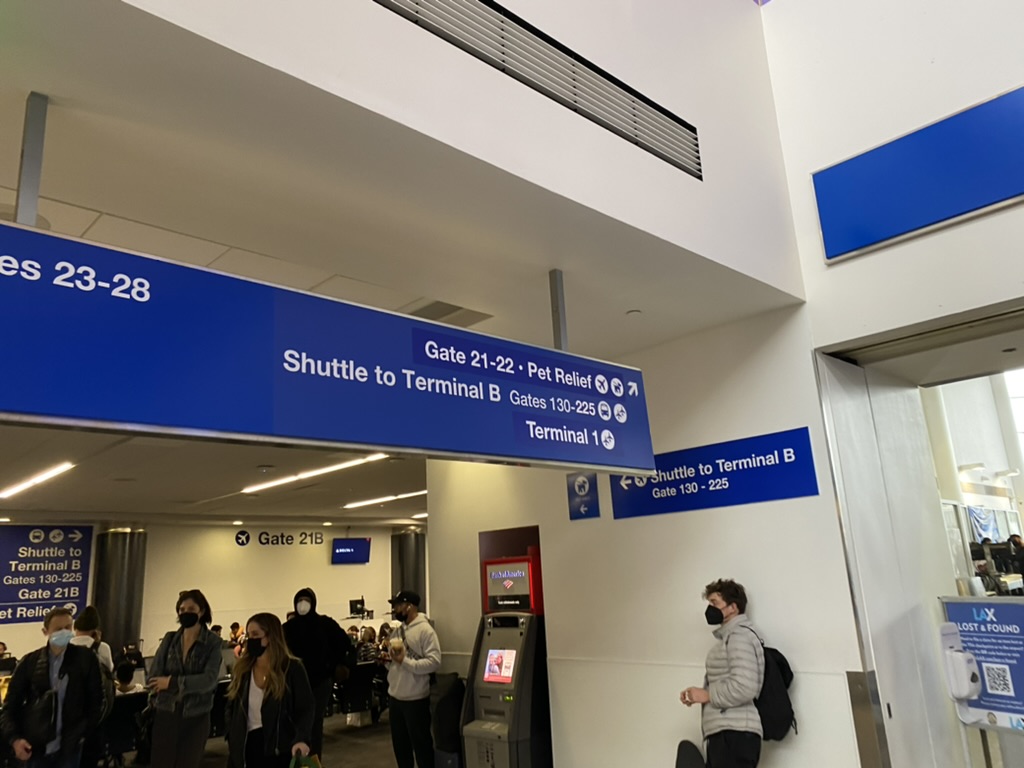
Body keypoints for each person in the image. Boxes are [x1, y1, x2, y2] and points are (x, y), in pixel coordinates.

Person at [0, 607, 105, 768]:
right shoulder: (30, 663)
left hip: (70, 747)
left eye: (68, 628)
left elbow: (96, 701)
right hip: (35, 747)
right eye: (58, 629)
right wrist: (14, 739)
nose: (64, 632)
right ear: (45, 631)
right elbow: (10, 706)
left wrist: (82, 733)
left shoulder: (86, 659)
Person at [680, 579, 764, 768]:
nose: (710, 609)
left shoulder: (739, 637)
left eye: (714, 603)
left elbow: (745, 686)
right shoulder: (731, 637)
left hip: (734, 735)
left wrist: (707, 695)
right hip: (727, 733)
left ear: (733, 607)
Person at [226, 613, 315, 768]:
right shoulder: (243, 670)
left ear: (270, 636)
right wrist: (232, 735)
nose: (250, 640)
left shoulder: (292, 668)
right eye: (248, 635)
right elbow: (232, 706)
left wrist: (302, 738)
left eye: (255, 634)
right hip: (248, 747)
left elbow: (305, 708)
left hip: (280, 747)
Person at [148, 589, 224, 768]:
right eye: (181, 610)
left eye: (190, 608)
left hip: (196, 715)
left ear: (202, 611)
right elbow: (153, 677)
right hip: (166, 712)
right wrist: (187, 684)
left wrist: (172, 683)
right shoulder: (170, 639)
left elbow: (209, 680)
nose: (185, 613)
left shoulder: (213, 643)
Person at [283, 587, 353, 759]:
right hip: (292, 684)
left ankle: (312, 762)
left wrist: (340, 666)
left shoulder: (325, 624)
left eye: (306, 600)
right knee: (290, 724)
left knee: (313, 725)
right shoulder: (287, 628)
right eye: (300, 601)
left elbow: (346, 646)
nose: (302, 605)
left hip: (319, 683)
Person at [386, 590, 441, 768]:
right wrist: (388, 662)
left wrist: (405, 662)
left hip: (416, 699)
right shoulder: (398, 631)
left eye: (398, 605)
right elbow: (396, 663)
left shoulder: (426, 631)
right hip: (395, 697)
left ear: (409, 606)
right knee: (401, 748)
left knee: (422, 747)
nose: (395, 609)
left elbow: (434, 662)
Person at [70, 605, 115, 672]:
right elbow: (109, 669)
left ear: (74, 627)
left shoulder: (65, 647)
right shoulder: (102, 648)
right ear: (95, 630)